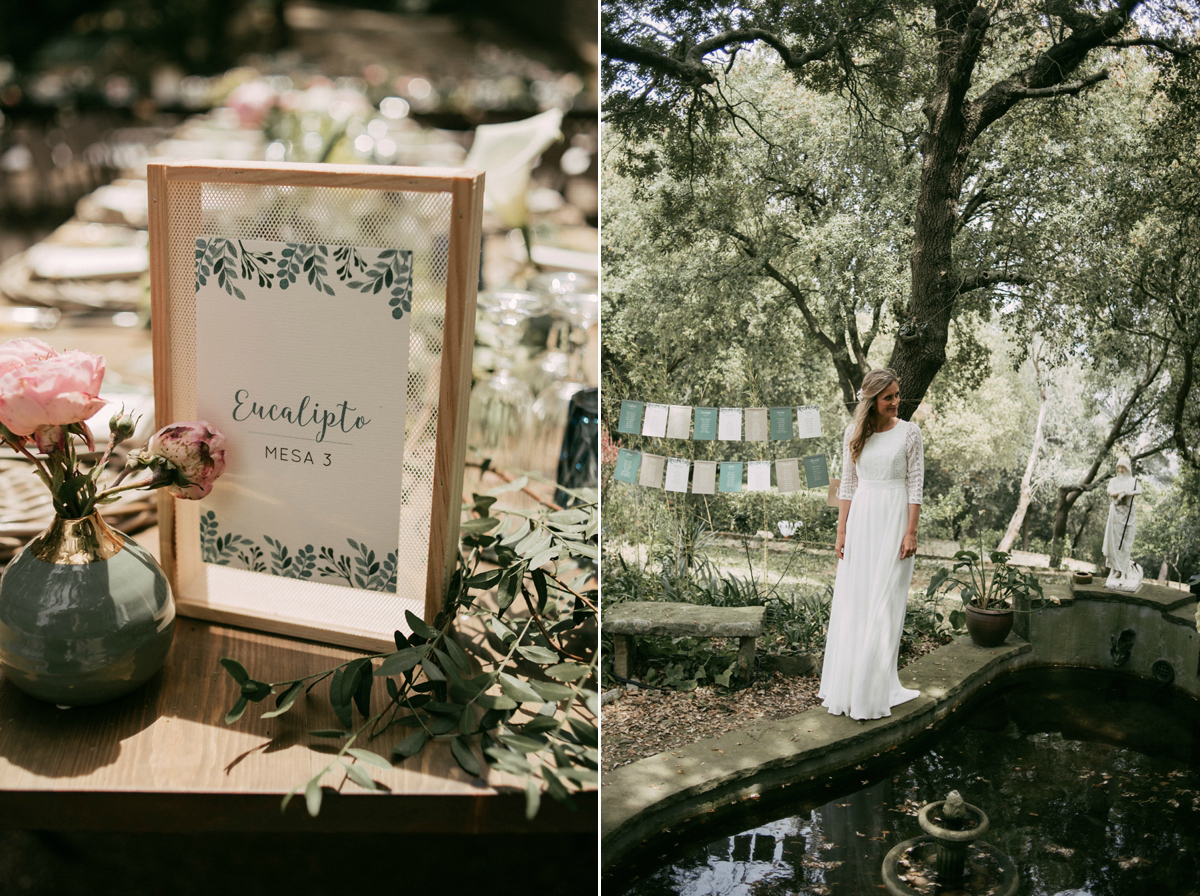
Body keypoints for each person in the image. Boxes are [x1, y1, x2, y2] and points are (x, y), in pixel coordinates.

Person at [818, 368, 923, 720]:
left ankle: (875, 687)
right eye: (888, 397)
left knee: (886, 601)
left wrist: (911, 532)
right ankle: (851, 688)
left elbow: (916, 487)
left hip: (894, 519)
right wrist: (841, 531)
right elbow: (847, 487)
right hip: (862, 521)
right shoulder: (854, 433)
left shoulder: (910, 433)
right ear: (872, 401)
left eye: (897, 395)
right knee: (857, 600)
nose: (896, 402)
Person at [1102, 456, 1141, 584]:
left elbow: (1139, 491)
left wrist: (1127, 492)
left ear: (1127, 468)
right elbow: (1109, 491)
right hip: (1115, 514)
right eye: (1118, 467)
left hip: (1128, 514)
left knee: (1125, 545)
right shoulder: (1113, 480)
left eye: (1123, 467)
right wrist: (1120, 492)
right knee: (1114, 544)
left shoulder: (1133, 481)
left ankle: (1124, 571)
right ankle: (1115, 570)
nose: (1120, 469)